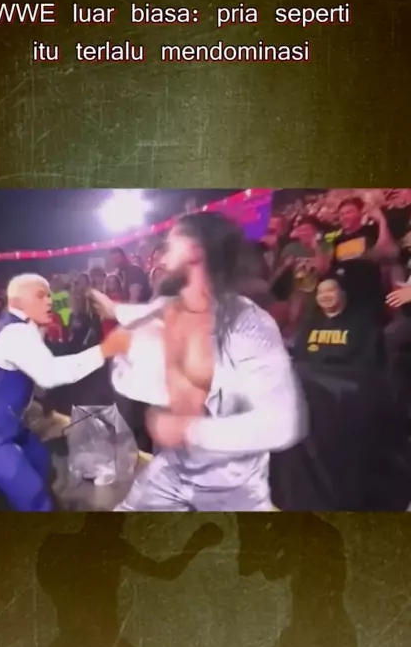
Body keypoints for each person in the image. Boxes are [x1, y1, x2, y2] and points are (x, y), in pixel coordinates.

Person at [92, 212, 306, 511]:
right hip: (174, 469)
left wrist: (188, 430)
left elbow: (282, 422)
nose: (162, 257)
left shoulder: (248, 323)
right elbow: (133, 320)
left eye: (170, 246)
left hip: (230, 485)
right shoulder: (170, 308)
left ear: (194, 252)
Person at [0, 274, 126, 511]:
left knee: (42, 462)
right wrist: (105, 350)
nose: (50, 301)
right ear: (17, 302)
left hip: (7, 427)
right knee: (33, 494)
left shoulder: (20, 326)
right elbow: (50, 374)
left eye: (49, 295)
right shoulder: (15, 333)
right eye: (40, 296)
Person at [322, 197, 397, 316]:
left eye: (348, 212)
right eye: (341, 214)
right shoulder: (338, 240)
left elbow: (388, 252)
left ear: (360, 213)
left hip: (368, 298)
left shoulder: (370, 231)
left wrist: (382, 221)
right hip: (343, 299)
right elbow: (332, 268)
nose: (344, 217)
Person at [294, 278, 385, 370]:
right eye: (321, 292)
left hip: (347, 376)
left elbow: (367, 360)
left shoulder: (363, 322)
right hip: (313, 376)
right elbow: (300, 357)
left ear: (343, 294)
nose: (325, 296)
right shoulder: (309, 322)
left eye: (330, 291)